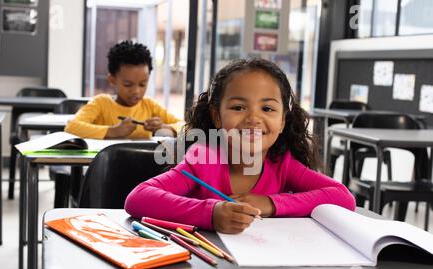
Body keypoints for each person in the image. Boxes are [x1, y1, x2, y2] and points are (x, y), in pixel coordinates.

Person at [124, 58, 356, 234]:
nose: (253, 119)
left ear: (283, 120)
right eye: (238, 107)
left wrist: (271, 203)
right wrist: (211, 214)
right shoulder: (202, 160)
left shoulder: (282, 164)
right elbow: (138, 198)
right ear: (217, 116)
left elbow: (344, 198)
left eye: (267, 109)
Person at [65, 41, 182, 139]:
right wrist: (113, 131)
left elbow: (187, 126)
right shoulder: (101, 103)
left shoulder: (149, 106)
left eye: (142, 84)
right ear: (112, 80)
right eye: (127, 84)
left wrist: (167, 128)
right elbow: (71, 127)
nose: (136, 91)